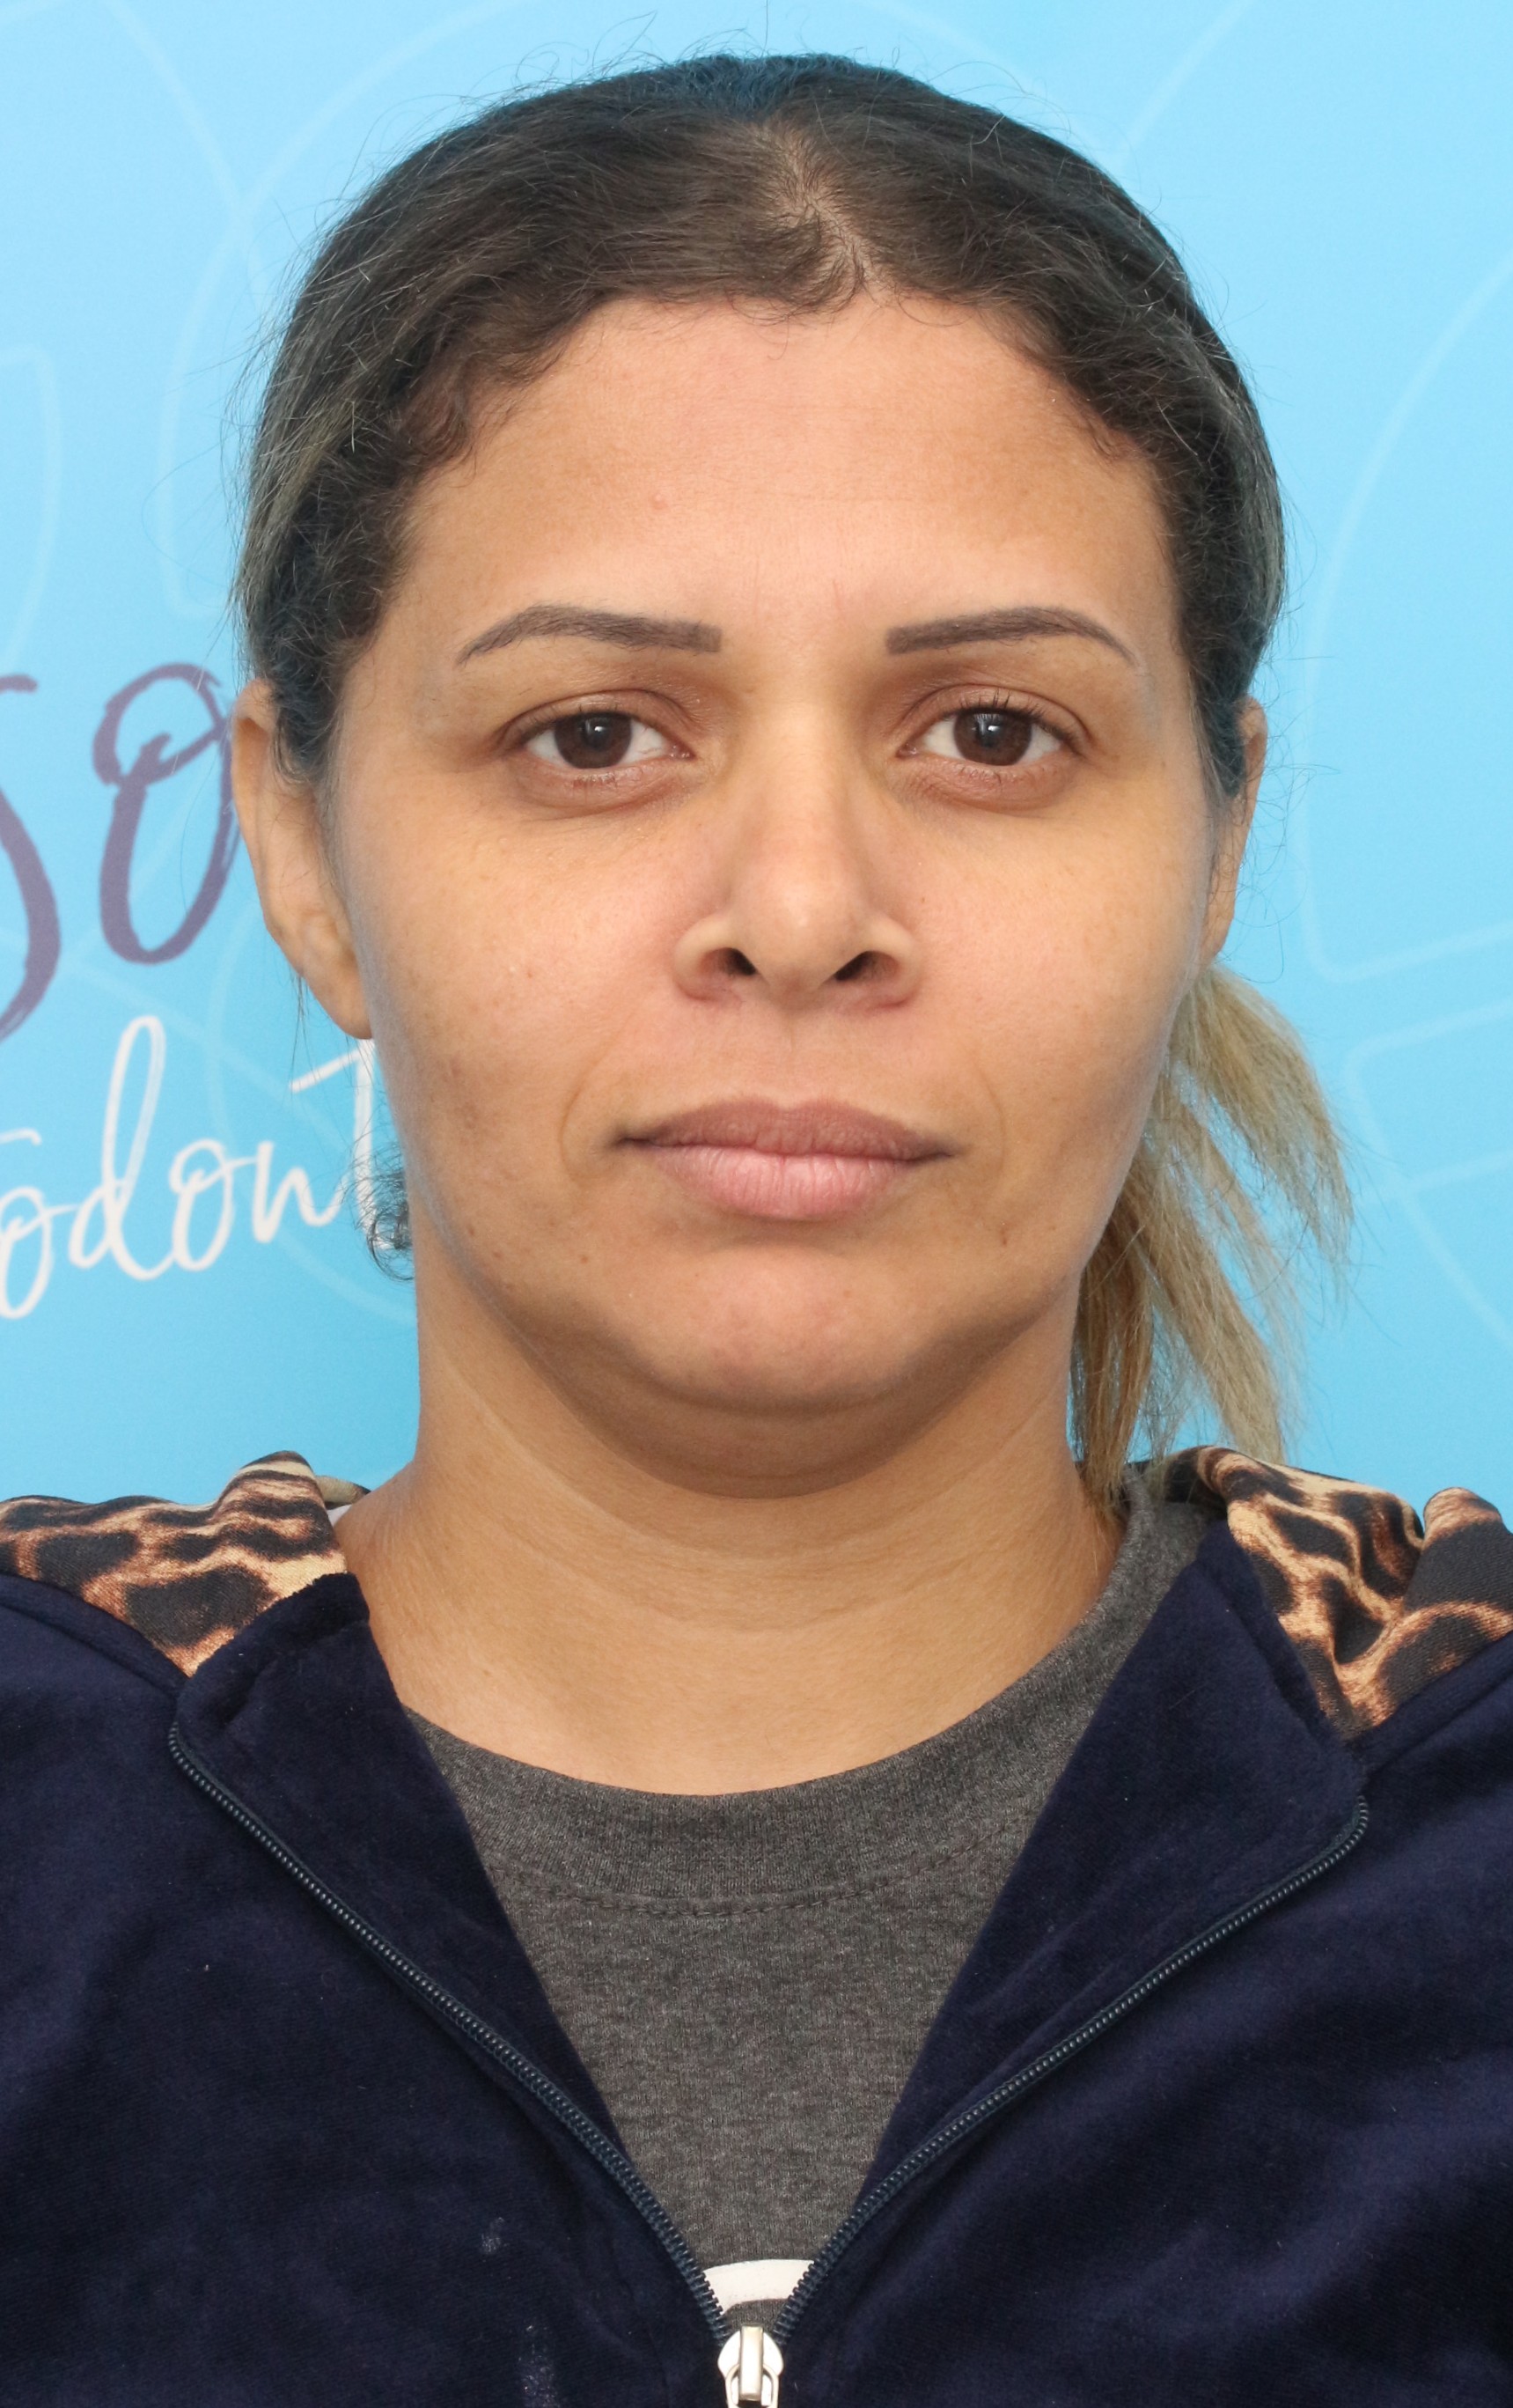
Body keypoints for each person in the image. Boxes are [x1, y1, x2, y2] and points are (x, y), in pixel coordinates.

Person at [1, 54, 1509, 2408]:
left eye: (990, 734)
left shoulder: (1460, 1784)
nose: (801, 911)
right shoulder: (45, 1794)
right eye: (596, 737)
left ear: (1219, 837)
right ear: (300, 845)